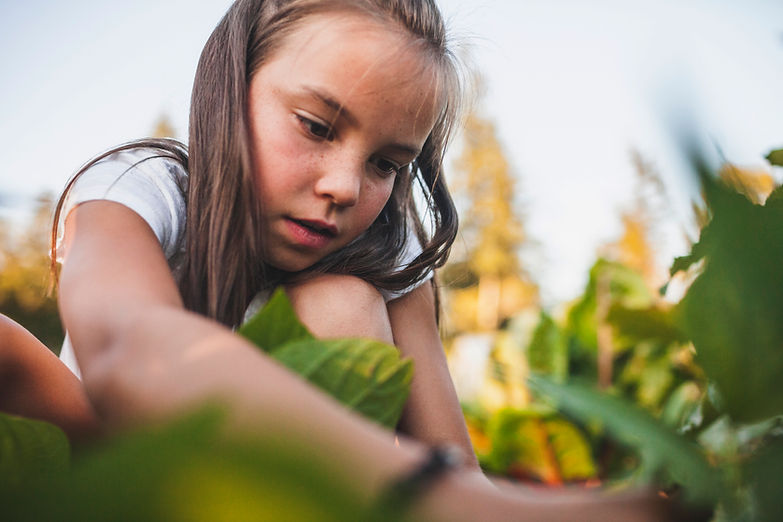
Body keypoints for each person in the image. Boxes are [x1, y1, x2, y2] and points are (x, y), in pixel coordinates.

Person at [1, 1, 682, 519]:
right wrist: (436, 497)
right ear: (229, 89)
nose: (345, 187)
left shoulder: (385, 244)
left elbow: (457, 465)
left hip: (277, 496)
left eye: (387, 163)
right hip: (117, 468)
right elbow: (128, 347)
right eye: (317, 127)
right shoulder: (139, 189)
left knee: (344, 302)